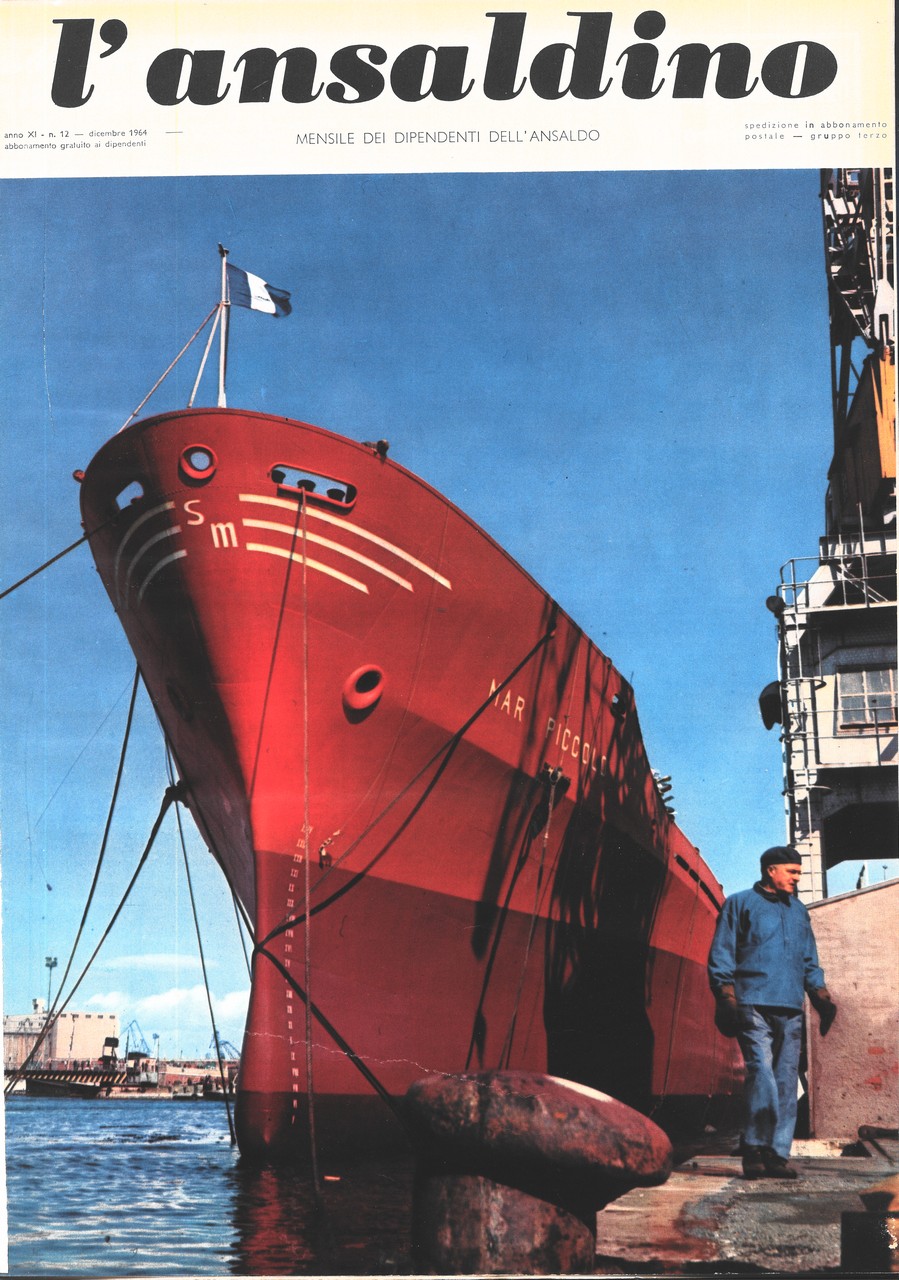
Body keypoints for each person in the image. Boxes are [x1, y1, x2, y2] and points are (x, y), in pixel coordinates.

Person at [707, 846, 837, 1180]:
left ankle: (776, 1155)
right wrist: (725, 995)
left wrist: (820, 996)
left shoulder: (799, 911)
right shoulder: (739, 904)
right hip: (752, 1003)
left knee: (785, 1081)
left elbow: (809, 958)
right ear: (771, 870)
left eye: (799, 873)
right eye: (792, 872)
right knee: (761, 1073)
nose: (797, 878)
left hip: (791, 1006)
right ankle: (753, 1147)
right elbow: (722, 952)